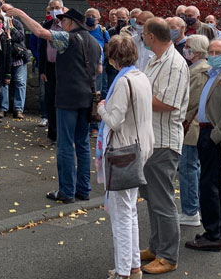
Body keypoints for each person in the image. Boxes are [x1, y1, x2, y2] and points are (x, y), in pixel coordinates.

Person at [10, 7, 101, 204]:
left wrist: (20, 13)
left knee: (65, 144)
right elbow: (99, 69)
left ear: (71, 23)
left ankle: (66, 191)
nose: (61, 24)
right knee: (83, 144)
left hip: (68, 98)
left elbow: (40, 32)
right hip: (87, 97)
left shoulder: (68, 38)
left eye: (64, 21)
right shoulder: (95, 43)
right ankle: (84, 189)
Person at [95, 35, 154, 279]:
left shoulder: (122, 82)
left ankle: (123, 272)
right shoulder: (141, 76)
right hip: (139, 147)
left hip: (123, 151)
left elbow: (115, 121)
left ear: (113, 58)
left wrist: (101, 108)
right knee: (129, 211)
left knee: (121, 215)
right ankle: (133, 266)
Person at [139, 18, 190, 275]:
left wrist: (135, 97)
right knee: (152, 198)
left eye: (144, 32)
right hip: (150, 139)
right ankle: (157, 247)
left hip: (163, 141)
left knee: (162, 200)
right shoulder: (156, 59)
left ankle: (168, 257)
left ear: (151, 36)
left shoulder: (174, 64)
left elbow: (168, 103)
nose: (142, 36)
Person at [185, 39, 221, 252]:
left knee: (209, 185)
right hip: (205, 131)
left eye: (218, 52)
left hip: (213, 135)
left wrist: (214, 137)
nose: (213, 55)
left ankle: (212, 235)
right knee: (216, 182)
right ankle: (220, 231)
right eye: (210, 51)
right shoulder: (212, 74)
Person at [178, 34, 211, 227]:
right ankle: (195, 208)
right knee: (193, 168)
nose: (185, 49)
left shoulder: (199, 72)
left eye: (188, 46)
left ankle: (190, 211)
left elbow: (190, 102)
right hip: (195, 125)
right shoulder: (200, 69)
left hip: (192, 126)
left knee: (188, 168)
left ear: (197, 51)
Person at [38, 0, 66, 142]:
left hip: (64, 68)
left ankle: (63, 133)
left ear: (63, 9)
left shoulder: (67, 26)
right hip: (49, 67)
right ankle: (52, 134)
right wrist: (42, 70)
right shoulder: (47, 25)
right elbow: (42, 48)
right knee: (50, 100)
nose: (56, 10)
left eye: (58, 7)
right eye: (53, 8)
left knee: (63, 100)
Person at [0, 4, 28, 120]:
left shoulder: (17, 23)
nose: (5, 13)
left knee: (20, 82)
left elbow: (20, 38)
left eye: (7, 11)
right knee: (4, 83)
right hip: (5, 58)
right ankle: (3, 108)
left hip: (18, 58)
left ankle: (18, 109)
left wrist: (11, 28)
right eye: (3, 11)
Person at [85, 7, 109, 136]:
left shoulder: (103, 32)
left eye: (93, 16)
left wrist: (101, 61)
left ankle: (94, 126)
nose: (90, 18)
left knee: (97, 97)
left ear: (98, 19)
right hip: (83, 69)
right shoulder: (82, 31)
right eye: (88, 16)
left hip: (98, 70)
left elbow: (107, 48)